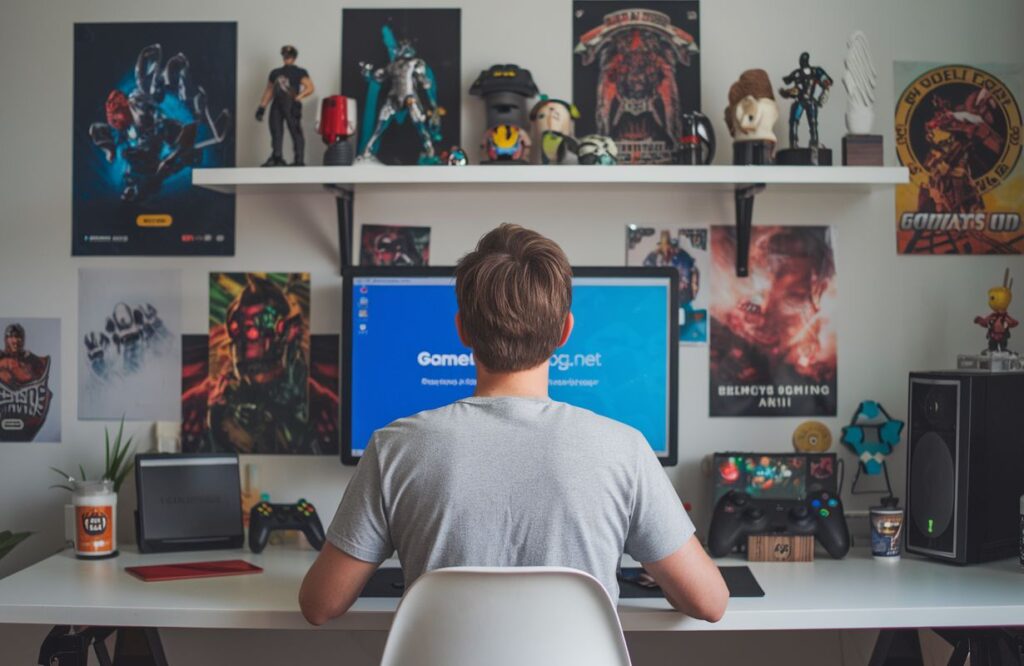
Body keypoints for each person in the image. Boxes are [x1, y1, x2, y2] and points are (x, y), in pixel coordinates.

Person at [299, 224, 728, 625]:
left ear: (462, 330)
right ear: (565, 332)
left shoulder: (393, 448)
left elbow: (320, 605)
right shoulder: (625, 449)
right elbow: (709, 602)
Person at [256, 45, 315, 166]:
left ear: (294, 57)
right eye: (285, 55)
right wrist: (262, 107)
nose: (287, 58)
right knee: (275, 130)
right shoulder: (275, 73)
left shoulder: (299, 72)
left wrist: (299, 97)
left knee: (295, 130)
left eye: (289, 56)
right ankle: (277, 157)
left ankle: (299, 160)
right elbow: (269, 91)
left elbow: (310, 87)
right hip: (277, 104)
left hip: (291, 104)